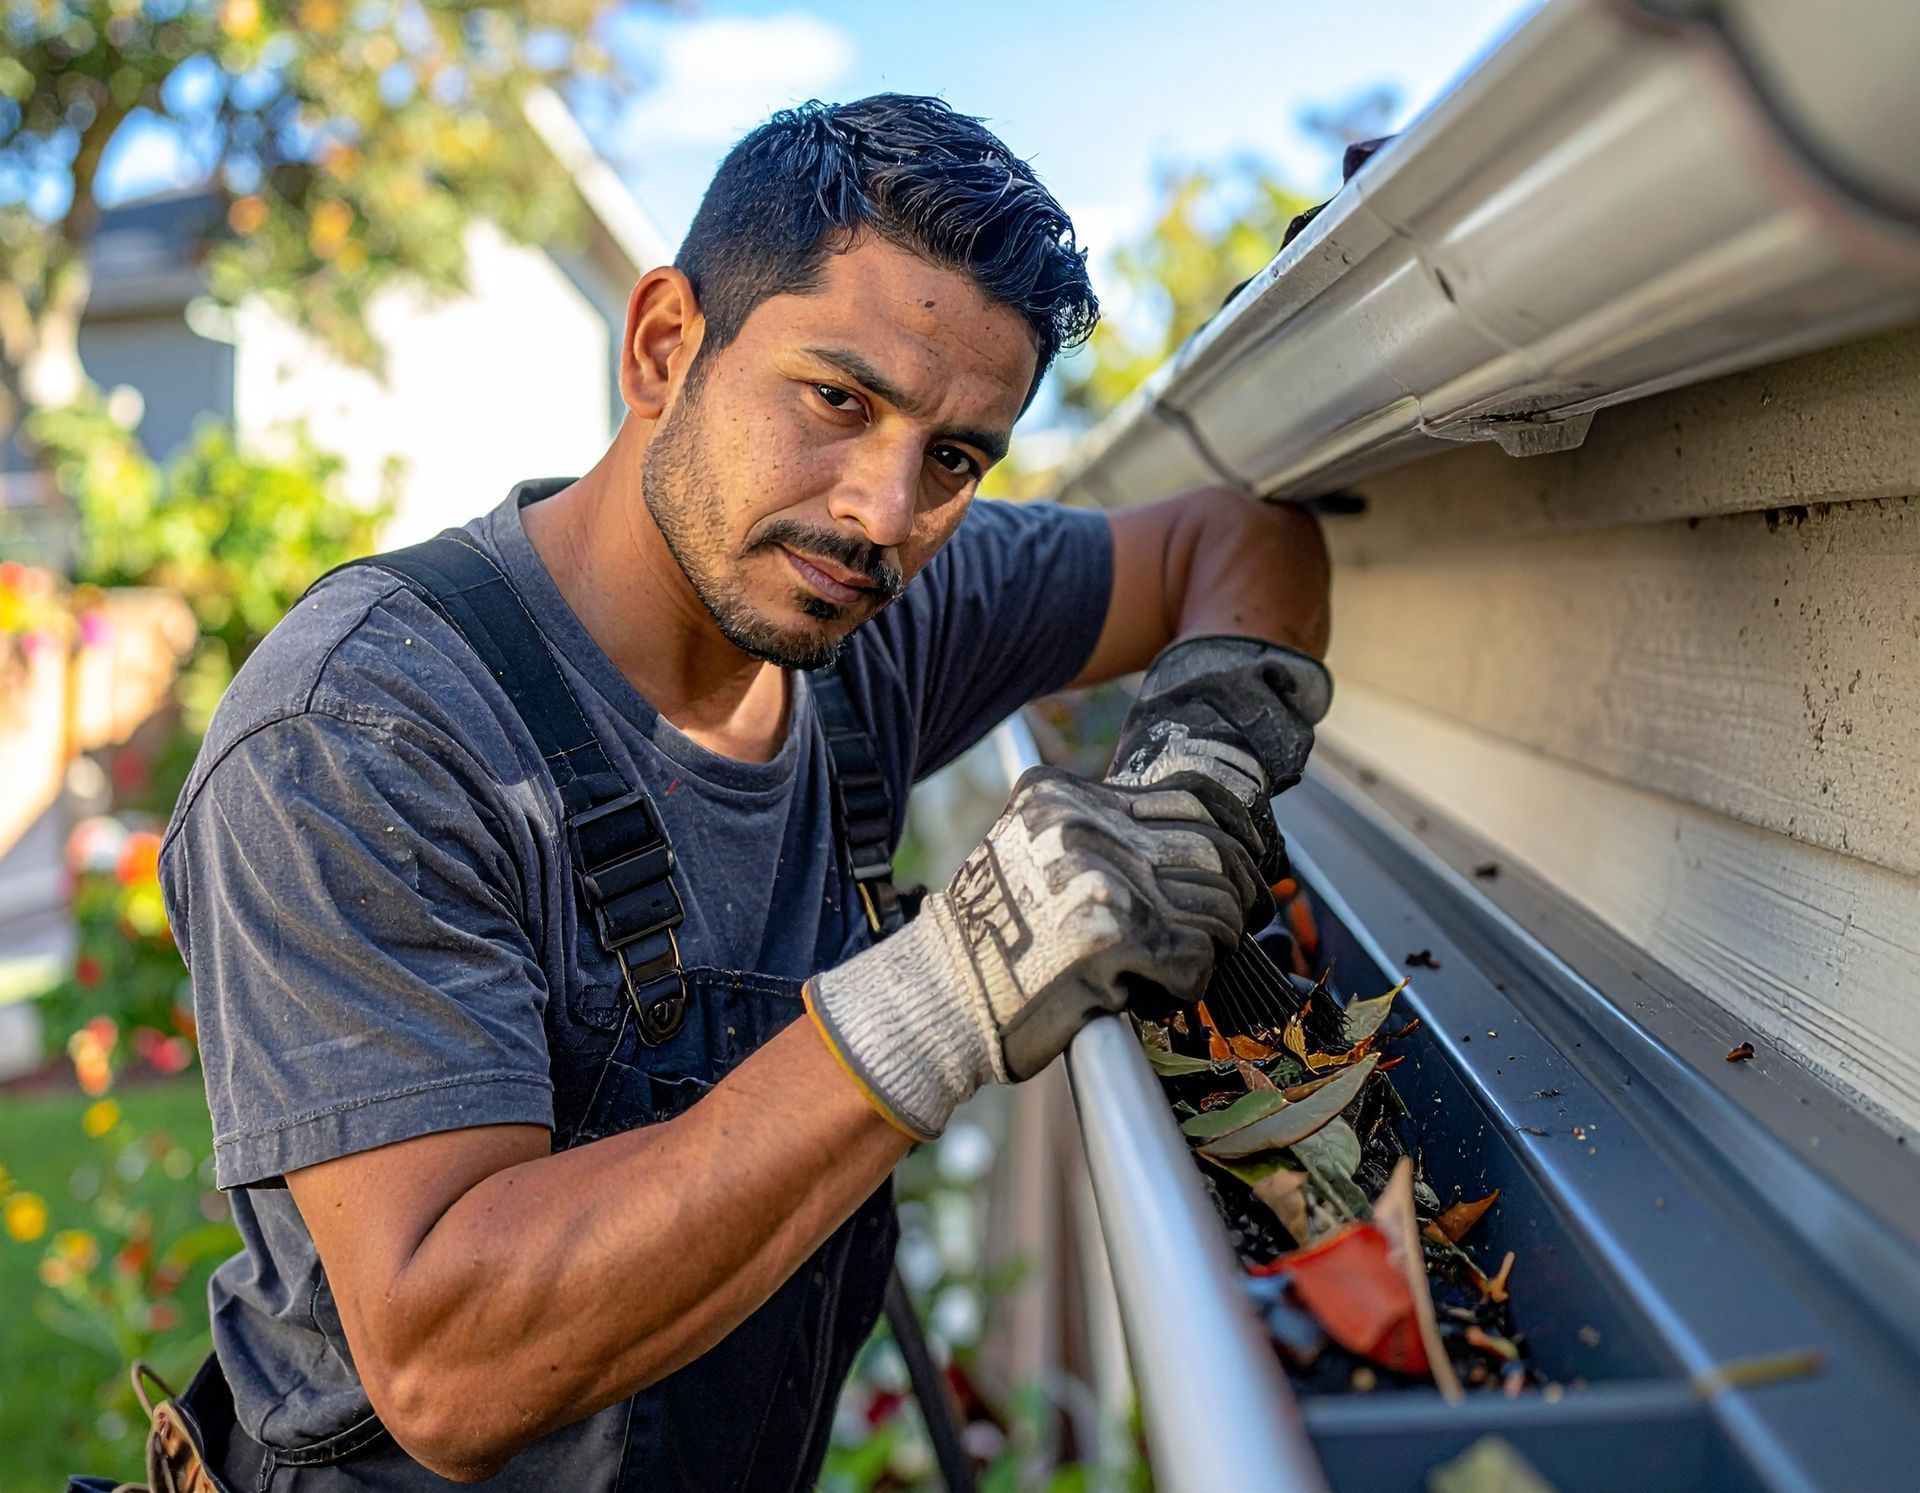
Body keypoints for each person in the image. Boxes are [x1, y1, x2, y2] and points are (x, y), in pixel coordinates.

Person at [156, 94, 1331, 1490]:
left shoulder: (866, 622)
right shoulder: (365, 731)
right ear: (665, 346)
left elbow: (1240, 537)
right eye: (840, 400)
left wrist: (1204, 759)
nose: (885, 513)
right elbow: (448, 1365)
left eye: (956, 457)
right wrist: (951, 990)